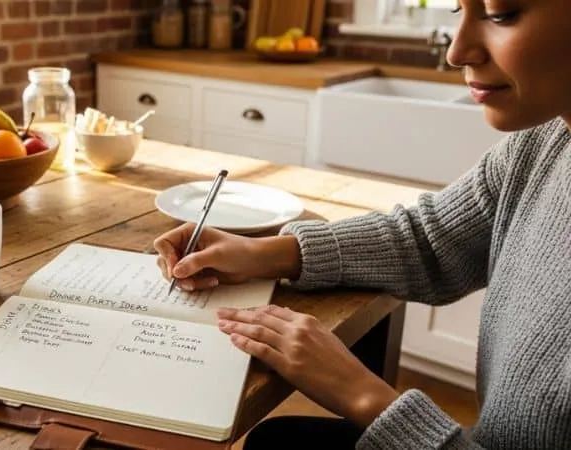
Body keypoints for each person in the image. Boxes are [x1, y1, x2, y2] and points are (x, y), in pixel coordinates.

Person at [153, 0, 571, 448]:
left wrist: (364, 396)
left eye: (500, 14)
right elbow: (429, 240)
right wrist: (265, 253)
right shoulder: (542, 143)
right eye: (457, 10)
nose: (457, 52)